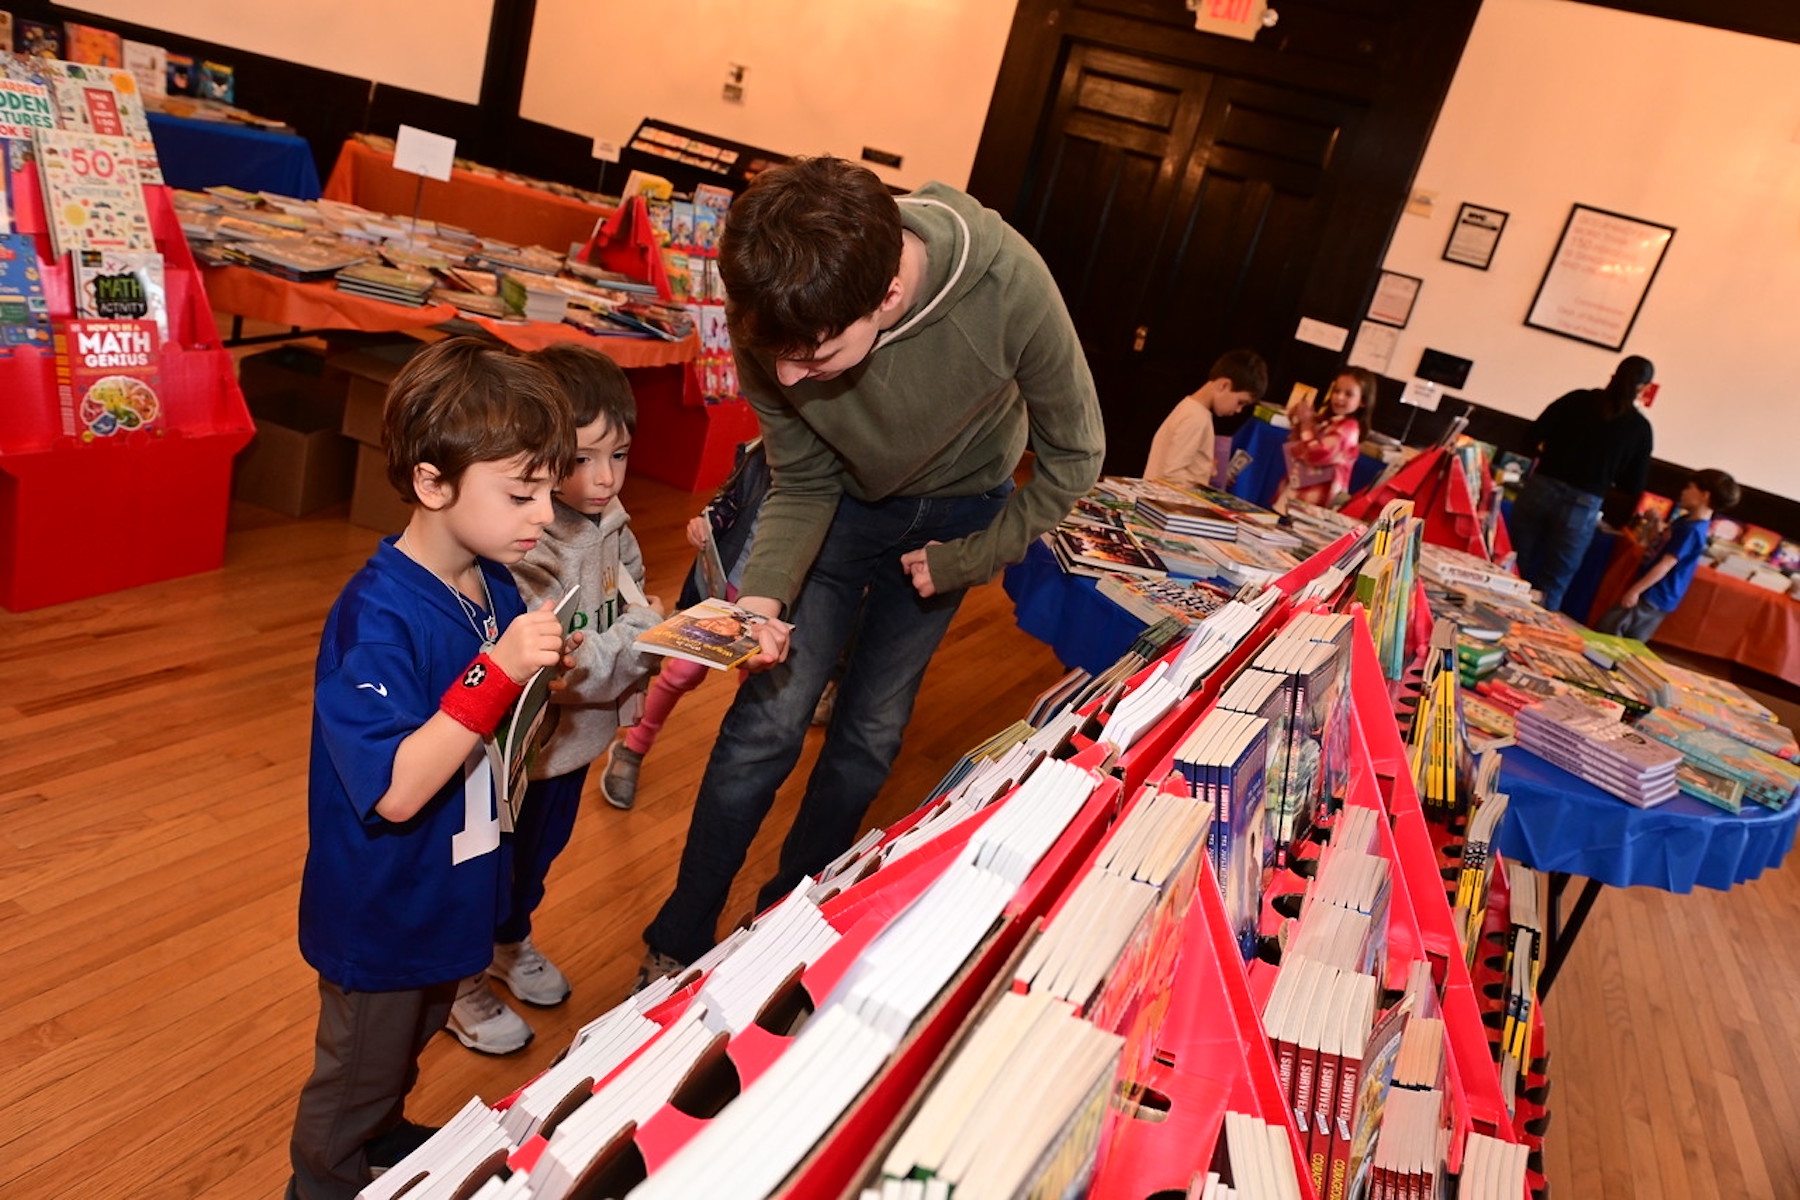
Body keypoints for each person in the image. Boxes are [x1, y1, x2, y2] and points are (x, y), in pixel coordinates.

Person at [638, 155, 1105, 980]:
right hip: (836, 505)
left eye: (813, 358)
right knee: (766, 727)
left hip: (957, 517)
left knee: (868, 736)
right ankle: (678, 941)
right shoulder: (779, 307)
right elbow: (804, 475)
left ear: (888, 296)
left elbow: (1075, 460)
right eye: (772, 358)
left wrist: (971, 556)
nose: (785, 378)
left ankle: (781, 934)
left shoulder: (1010, 287)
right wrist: (762, 600)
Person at [287, 338, 578, 1199]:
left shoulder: (488, 577)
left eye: (549, 491)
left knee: (399, 1053)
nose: (545, 516)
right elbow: (399, 785)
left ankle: (378, 1137)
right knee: (352, 1078)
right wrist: (498, 673)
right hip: (383, 907)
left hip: (447, 886)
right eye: (520, 492)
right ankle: (326, 1180)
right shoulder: (373, 617)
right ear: (430, 483)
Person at [444, 343, 667, 1054]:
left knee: (536, 862)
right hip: (514, 755)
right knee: (489, 868)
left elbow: (637, 600)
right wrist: (639, 639)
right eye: (580, 459)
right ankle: (460, 980)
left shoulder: (612, 519)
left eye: (620, 455)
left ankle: (509, 942)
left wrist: (633, 635)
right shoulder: (524, 536)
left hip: (574, 746)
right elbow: (558, 667)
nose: (604, 479)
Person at [599, 438, 772, 810]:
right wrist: (705, 523)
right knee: (682, 672)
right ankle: (633, 747)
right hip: (722, 592)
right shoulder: (757, 456)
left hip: (772, 612)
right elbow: (727, 501)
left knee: (753, 687)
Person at [1510, 356, 1655, 613]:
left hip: (1542, 486)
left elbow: (1531, 436)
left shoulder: (1576, 400)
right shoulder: (1639, 428)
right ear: (1644, 387)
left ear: (1614, 374)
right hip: (1584, 503)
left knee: (1510, 559)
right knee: (1555, 579)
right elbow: (1632, 485)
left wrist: (1549, 453)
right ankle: (1534, 632)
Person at [1595, 469, 1738, 642]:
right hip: (1651, 592)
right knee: (1618, 632)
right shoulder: (1685, 520)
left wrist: (1636, 590)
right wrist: (1655, 521)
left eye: (1689, 488)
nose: (1683, 492)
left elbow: (1666, 564)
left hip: (1654, 594)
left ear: (1704, 496)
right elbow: (1659, 542)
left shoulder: (1693, 530)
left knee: (1610, 631)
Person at [1142, 349, 1268, 489]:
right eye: (1240, 402)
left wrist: (1206, 470)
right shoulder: (1196, 417)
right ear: (1224, 385)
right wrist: (1202, 483)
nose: (1238, 410)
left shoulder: (1191, 409)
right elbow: (1171, 475)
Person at [1274, 366, 1375, 510]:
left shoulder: (1349, 428)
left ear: (1362, 401)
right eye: (1336, 391)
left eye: (1348, 394)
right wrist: (1298, 422)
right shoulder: (1327, 422)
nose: (1339, 397)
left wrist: (1306, 424)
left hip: (1313, 505)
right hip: (1296, 495)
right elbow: (1297, 449)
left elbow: (1317, 454)